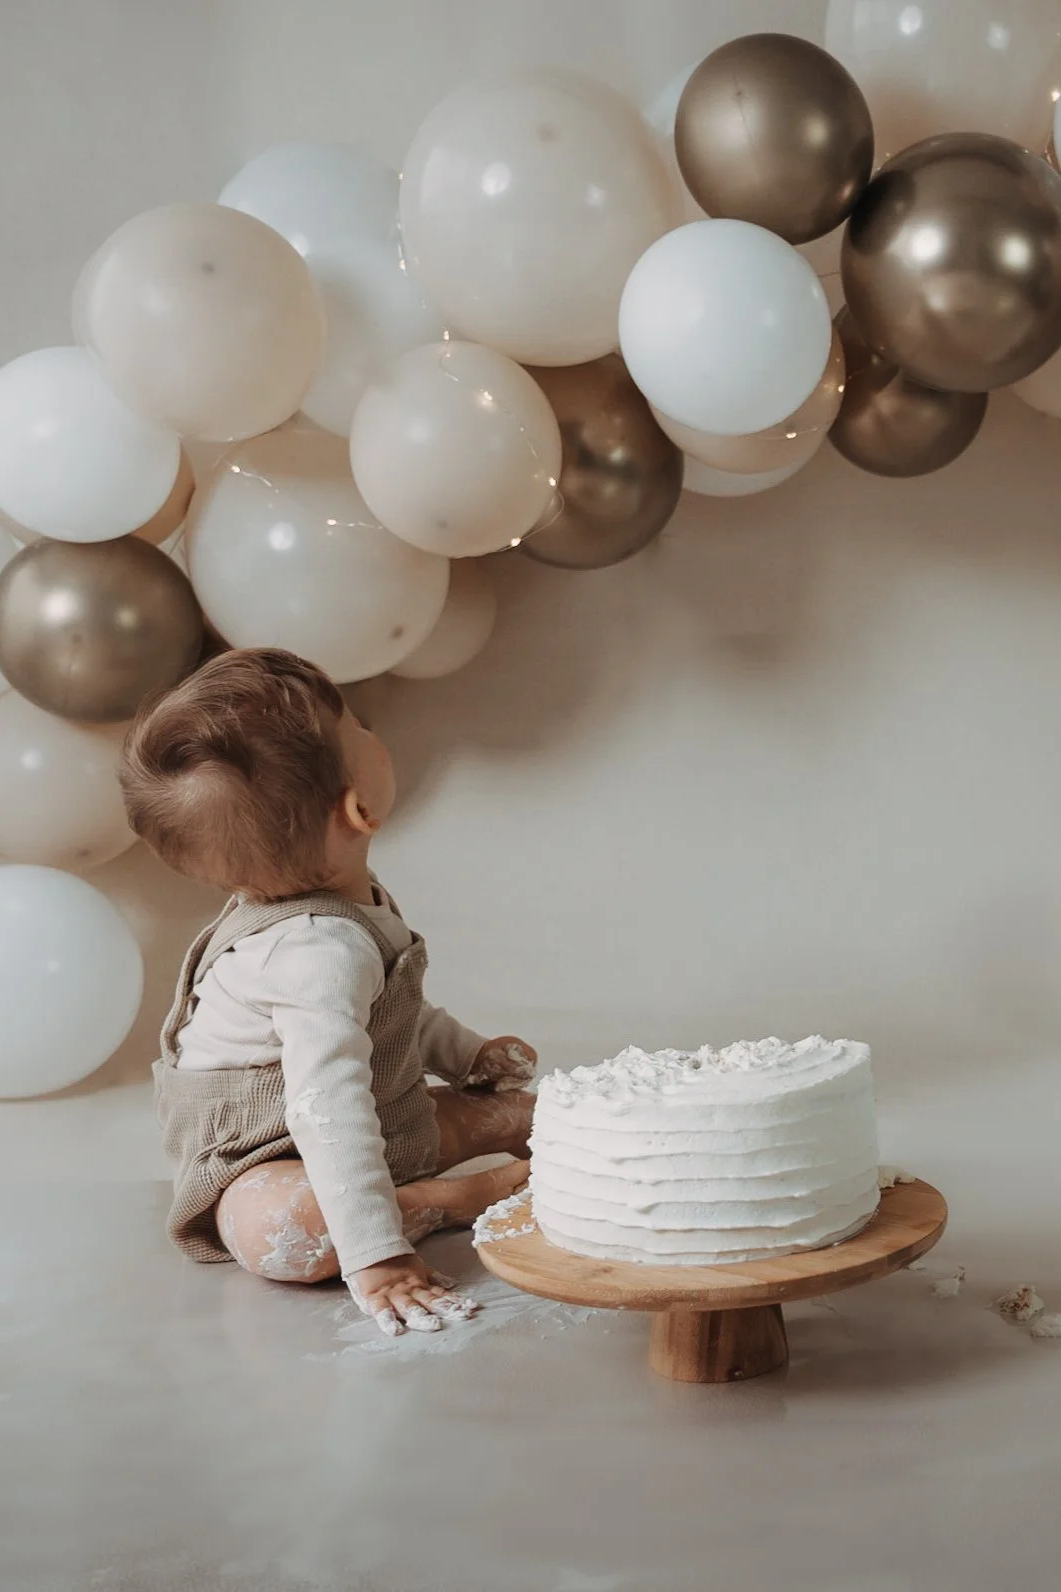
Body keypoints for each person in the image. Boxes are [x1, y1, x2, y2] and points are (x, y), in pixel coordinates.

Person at [120, 647, 535, 1337]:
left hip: (368, 1113)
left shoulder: (343, 909)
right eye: (357, 731)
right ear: (359, 807)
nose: (371, 733)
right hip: (263, 1155)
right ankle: (452, 1200)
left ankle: (407, 1183)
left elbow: (397, 1016)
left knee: (529, 1114)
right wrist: (376, 1258)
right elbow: (326, 1110)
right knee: (286, 1231)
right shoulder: (314, 952)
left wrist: (468, 1056)